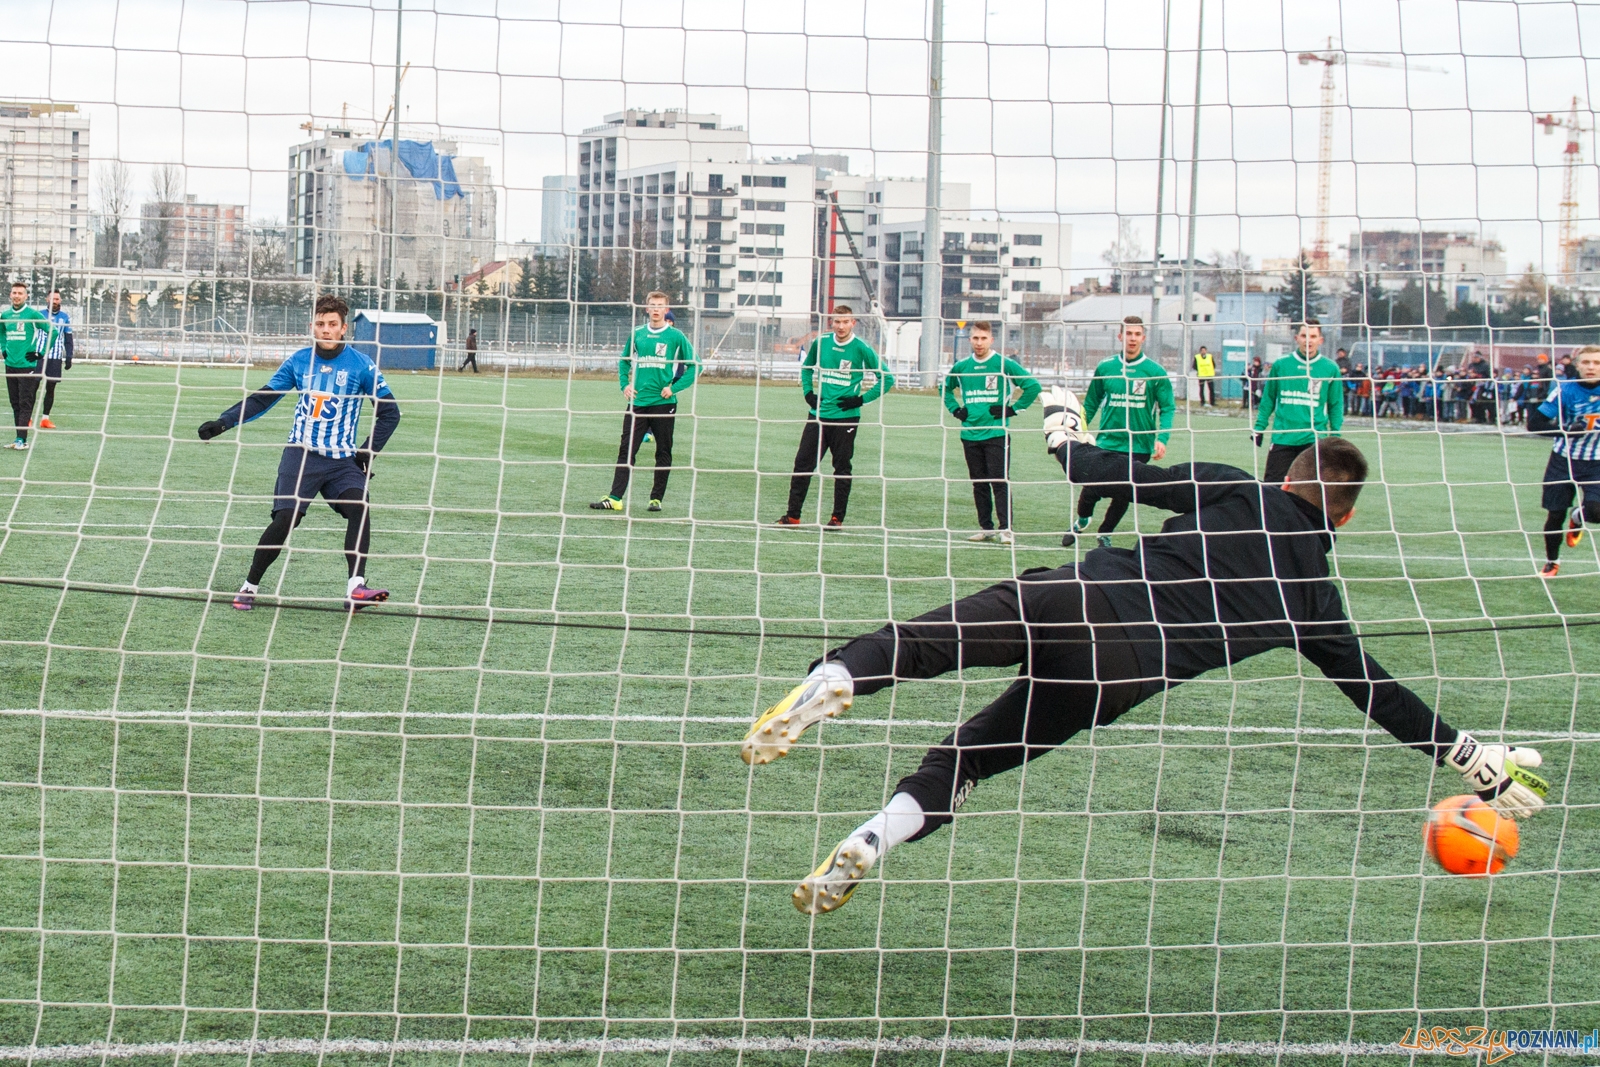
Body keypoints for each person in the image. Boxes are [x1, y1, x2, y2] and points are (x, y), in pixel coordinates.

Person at [742, 390, 1551, 915]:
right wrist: (1470, 756)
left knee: (921, 643)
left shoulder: (1240, 488)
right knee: (969, 755)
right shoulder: (1316, 601)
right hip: (1119, 679)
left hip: (1079, 602)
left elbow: (1119, 473)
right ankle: (873, 838)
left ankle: (833, 679)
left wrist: (1063, 432)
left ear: (1288, 478)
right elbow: (1379, 692)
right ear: (1341, 519)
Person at [197, 294, 400, 611]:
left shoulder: (362, 366)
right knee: (286, 519)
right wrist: (224, 422)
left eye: (333, 324)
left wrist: (365, 453)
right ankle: (249, 586)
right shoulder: (299, 361)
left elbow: (390, 413)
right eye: (320, 324)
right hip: (301, 456)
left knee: (359, 508)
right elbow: (264, 398)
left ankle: (356, 588)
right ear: (313, 327)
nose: (326, 330)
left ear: (344, 328)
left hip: (342, 462)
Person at [776, 305, 894, 528]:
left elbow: (887, 379)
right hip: (818, 416)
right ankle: (792, 516)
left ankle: (837, 518)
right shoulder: (822, 342)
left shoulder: (861, 348)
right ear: (831, 322)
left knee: (841, 468)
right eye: (837, 322)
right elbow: (807, 367)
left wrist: (861, 399)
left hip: (846, 418)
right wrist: (808, 393)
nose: (840, 326)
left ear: (853, 323)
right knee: (802, 464)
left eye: (845, 322)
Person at [1064, 315, 1173, 548]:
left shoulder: (1155, 372)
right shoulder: (1106, 367)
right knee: (1091, 489)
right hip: (1107, 443)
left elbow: (1168, 408)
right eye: (1128, 334)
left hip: (1139, 446)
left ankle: (1105, 533)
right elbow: (1092, 403)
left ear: (1143, 338)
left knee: (1123, 494)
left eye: (1137, 334)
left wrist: (1161, 439)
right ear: (1120, 336)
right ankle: (1082, 520)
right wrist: (1076, 429)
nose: (1132, 339)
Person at [591, 292, 696, 513]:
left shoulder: (676, 337)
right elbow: (624, 362)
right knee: (626, 449)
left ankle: (656, 499)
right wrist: (624, 384)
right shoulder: (637, 334)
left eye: (660, 306)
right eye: (652, 305)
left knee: (663, 451)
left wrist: (674, 388)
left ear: (666, 309)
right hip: (638, 403)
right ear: (646, 309)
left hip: (664, 403)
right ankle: (615, 498)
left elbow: (696, 366)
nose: (656, 309)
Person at [942, 320, 1041, 544]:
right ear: (970, 340)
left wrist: (1012, 409)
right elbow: (945, 388)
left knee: (999, 481)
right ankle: (986, 528)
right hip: (969, 434)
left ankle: (1006, 529)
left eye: (983, 338)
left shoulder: (1004, 364)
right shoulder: (962, 366)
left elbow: (1033, 386)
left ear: (991, 340)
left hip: (997, 433)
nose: (979, 342)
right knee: (979, 483)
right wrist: (955, 409)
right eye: (975, 338)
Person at [1529, 345, 1600, 578]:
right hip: (1563, 460)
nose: (1591, 367)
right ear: (1577, 365)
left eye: (1597, 363)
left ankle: (1578, 516)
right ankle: (1552, 562)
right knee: (1555, 514)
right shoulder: (1565, 390)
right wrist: (1566, 430)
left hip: (1596, 461)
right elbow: (1534, 424)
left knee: (1597, 512)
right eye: (1587, 362)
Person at [1252, 318, 1343, 484]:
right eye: (1304, 335)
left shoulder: (1330, 368)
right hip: (1283, 437)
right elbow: (1268, 398)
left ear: (1320, 340)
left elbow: (1335, 405)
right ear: (1297, 338)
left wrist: (1335, 435)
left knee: (1310, 493)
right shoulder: (1281, 365)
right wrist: (1259, 427)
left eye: (1313, 336)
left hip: (1313, 439)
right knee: (1272, 490)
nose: (1308, 340)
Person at [1, 282, 55, 450]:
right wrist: (3, 348)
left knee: (25, 403)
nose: (17, 295)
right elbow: (1, 331)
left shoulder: (32, 314)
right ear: (10, 295)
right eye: (14, 292)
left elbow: (53, 330)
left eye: (20, 293)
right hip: (10, 365)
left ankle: (21, 440)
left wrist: (41, 353)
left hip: (27, 366)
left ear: (26, 296)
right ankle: (19, 438)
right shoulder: (6, 315)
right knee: (15, 403)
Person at [39, 290, 72, 429]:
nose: (55, 301)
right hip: (39, 356)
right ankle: (26, 418)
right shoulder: (39, 315)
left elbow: (68, 338)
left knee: (51, 388)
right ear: (47, 299)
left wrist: (69, 356)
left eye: (57, 299)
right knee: (31, 388)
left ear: (60, 301)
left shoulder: (64, 317)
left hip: (55, 358)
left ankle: (45, 419)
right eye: (52, 299)